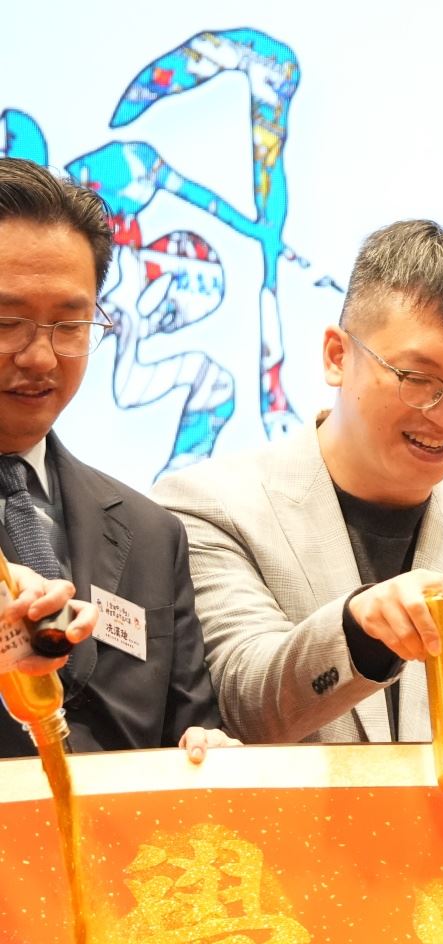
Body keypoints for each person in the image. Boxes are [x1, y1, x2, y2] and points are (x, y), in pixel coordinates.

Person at [154, 220, 443, 748]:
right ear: (337, 356)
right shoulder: (208, 510)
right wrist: (358, 630)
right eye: (418, 379)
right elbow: (243, 704)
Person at [0, 157, 229, 762]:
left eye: (70, 324)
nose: (41, 357)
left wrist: (206, 749)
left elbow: (188, 728)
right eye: (7, 322)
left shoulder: (152, 532)